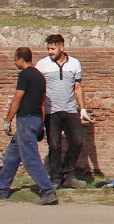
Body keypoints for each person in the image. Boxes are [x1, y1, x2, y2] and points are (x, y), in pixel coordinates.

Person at [0, 47, 59, 205]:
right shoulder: (40, 76)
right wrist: (41, 123)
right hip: (35, 120)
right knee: (12, 155)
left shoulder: (25, 75)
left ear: (21, 59)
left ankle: (48, 192)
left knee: (30, 158)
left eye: (15, 59)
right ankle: (1, 188)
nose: (15, 62)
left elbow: (17, 98)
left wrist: (8, 120)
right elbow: (42, 102)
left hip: (25, 120)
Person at [37, 34, 90, 190]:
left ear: (62, 47)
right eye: (48, 49)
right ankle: (55, 178)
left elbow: (78, 87)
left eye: (53, 48)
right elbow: (39, 89)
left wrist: (82, 109)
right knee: (54, 145)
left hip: (70, 110)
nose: (50, 52)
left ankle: (69, 175)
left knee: (77, 141)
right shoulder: (42, 65)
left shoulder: (74, 63)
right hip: (51, 111)